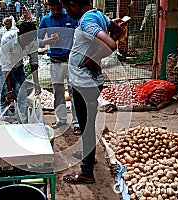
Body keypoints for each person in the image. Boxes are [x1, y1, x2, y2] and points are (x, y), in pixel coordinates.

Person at [59, 0, 124, 184]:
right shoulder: (99, 15)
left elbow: (111, 44)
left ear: (73, 4)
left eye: (66, 7)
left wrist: (93, 58)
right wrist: (93, 56)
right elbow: (118, 31)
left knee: (86, 126)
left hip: (84, 84)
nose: (66, 11)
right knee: (88, 123)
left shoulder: (87, 22)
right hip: (89, 82)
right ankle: (89, 156)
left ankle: (86, 172)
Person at [37, 0, 80, 135]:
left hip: (71, 61)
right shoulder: (45, 20)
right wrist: (48, 41)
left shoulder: (71, 17)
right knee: (58, 92)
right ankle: (61, 119)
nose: (55, 12)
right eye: (53, 9)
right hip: (55, 61)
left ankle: (77, 123)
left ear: (62, 7)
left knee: (74, 92)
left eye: (58, 9)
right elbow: (38, 41)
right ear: (49, 8)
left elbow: (80, 35)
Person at [0, 21, 41, 124]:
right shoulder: (7, 39)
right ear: (19, 34)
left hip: (18, 67)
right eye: (27, 39)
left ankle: (22, 122)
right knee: (3, 96)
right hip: (4, 68)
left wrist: (37, 84)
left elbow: (34, 62)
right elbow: (6, 66)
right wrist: (9, 90)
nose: (29, 42)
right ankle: (2, 122)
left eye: (31, 39)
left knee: (22, 96)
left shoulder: (34, 41)